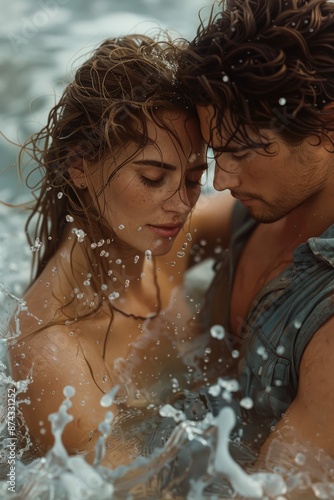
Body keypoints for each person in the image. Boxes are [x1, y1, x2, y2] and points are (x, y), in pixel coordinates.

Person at [8, 33, 211, 468]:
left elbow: (279, 201)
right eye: (153, 177)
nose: (182, 205)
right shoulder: (50, 350)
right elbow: (135, 490)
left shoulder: (161, 236)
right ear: (78, 164)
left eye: (194, 179)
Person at [177, 0, 334, 467]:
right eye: (216, 152)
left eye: (243, 152)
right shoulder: (266, 202)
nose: (220, 180)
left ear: (327, 127)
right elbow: (144, 246)